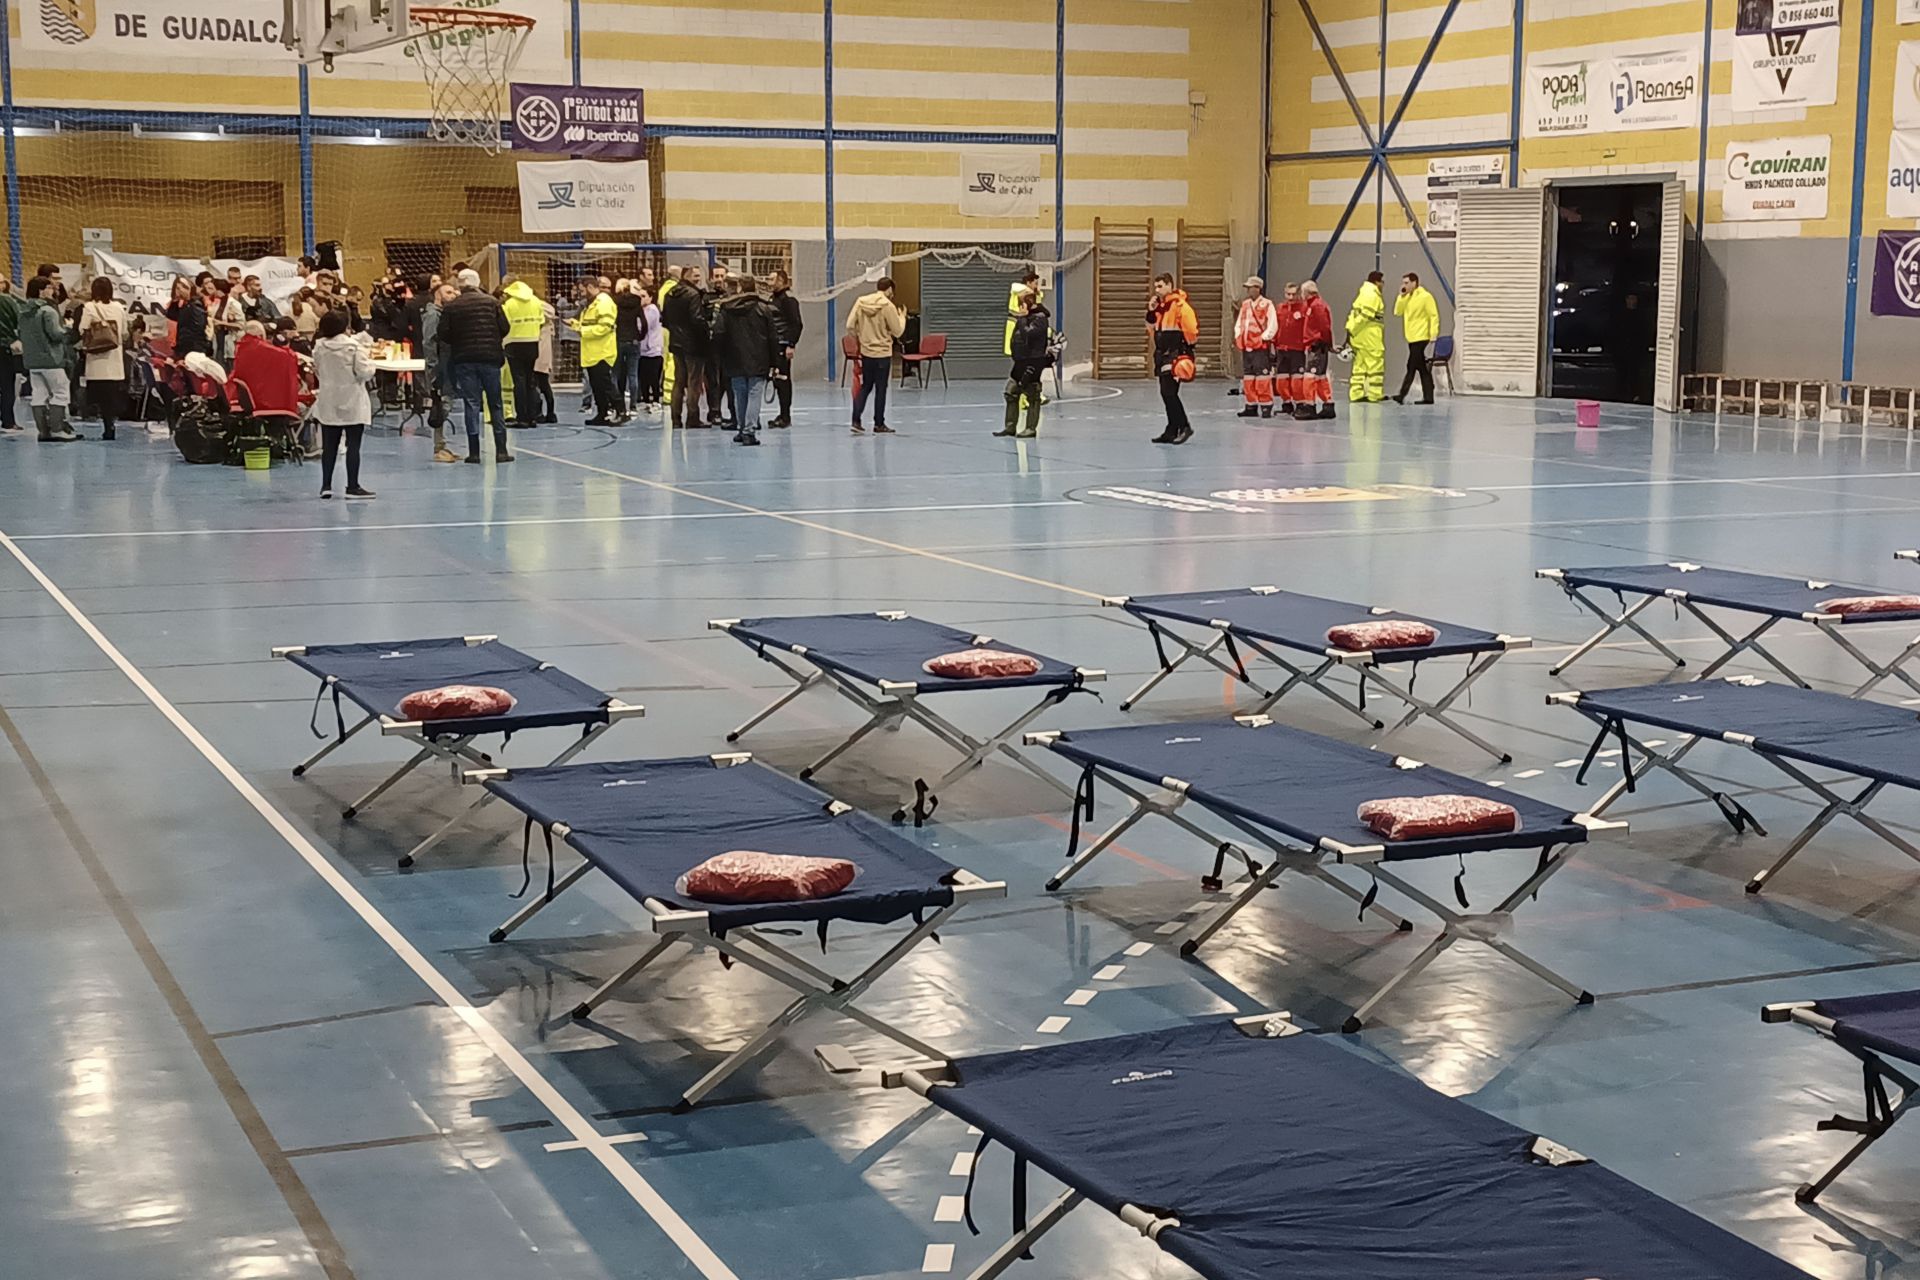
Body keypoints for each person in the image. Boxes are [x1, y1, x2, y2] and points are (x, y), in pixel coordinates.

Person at [437, 267, 513, 464]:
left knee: (471, 403)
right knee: (495, 403)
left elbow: (443, 333)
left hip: (464, 359)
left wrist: (459, 341)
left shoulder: (452, 307)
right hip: (490, 358)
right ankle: (501, 451)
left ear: (460, 285)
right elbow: (505, 327)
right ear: (477, 283)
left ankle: (474, 453)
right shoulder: (492, 302)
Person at [311, 308, 376, 500]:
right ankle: (353, 486)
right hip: (352, 400)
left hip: (329, 400)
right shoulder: (354, 347)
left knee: (329, 446)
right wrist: (372, 364)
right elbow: (364, 372)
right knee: (353, 445)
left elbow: (318, 370)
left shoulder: (319, 347)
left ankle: (326, 485)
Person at [712, 275, 779, 446]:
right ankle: (749, 431)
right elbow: (772, 337)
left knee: (739, 394)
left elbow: (718, 333)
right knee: (754, 394)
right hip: (759, 358)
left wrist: (719, 356)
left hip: (733, 358)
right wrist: (775, 363)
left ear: (739, 288)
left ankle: (742, 429)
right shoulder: (763, 309)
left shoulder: (726, 309)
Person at [20, 276, 77, 442]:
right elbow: (55, 334)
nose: (53, 291)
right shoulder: (48, 311)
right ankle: (57, 430)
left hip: (32, 361)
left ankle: (43, 432)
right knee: (60, 393)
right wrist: (69, 331)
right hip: (52, 360)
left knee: (38, 395)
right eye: (50, 288)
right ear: (41, 290)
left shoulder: (23, 311)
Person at [845, 277, 905, 435]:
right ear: (890, 289)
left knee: (866, 386)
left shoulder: (861, 301)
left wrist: (860, 337)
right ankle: (879, 423)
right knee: (881, 389)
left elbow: (850, 325)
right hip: (883, 353)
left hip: (866, 352)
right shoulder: (888, 305)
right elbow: (897, 331)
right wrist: (902, 318)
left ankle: (856, 420)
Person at [994, 290, 1053, 439]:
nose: (1019, 308)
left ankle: (1030, 428)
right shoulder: (1025, 318)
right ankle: (1010, 426)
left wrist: (1021, 319)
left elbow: (1028, 334)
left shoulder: (1039, 319)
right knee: (1011, 391)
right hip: (1021, 360)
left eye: (1022, 304)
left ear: (1030, 304)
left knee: (1032, 394)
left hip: (1033, 360)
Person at [1148, 272, 1198, 444]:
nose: (1157, 290)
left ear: (1170, 285)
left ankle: (1184, 426)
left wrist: (1187, 350)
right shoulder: (1161, 308)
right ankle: (1171, 428)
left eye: (1160, 286)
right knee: (1165, 392)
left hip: (1176, 354)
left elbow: (1191, 331)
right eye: (1156, 287)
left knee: (1169, 392)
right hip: (1162, 354)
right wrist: (1150, 311)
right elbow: (1151, 327)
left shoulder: (1181, 307)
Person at [76, 277, 128, 441]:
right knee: (111, 398)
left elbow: (82, 329)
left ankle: (92, 419)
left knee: (95, 395)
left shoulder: (89, 307)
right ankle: (110, 425)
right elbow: (124, 331)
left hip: (96, 360)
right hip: (114, 360)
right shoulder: (119, 308)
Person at [662, 264, 711, 430]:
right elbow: (696, 319)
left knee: (678, 381)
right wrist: (706, 330)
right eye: (695, 276)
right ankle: (692, 418)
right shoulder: (693, 294)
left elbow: (665, 319)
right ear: (687, 276)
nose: (697, 279)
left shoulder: (669, 294)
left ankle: (675, 419)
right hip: (693, 344)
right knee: (693, 382)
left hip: (676, 343)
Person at [572, 275, 624, 426]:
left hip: (602, 351)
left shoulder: (604, 302)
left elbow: (604, 327)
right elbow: (588, 323)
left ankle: (621, 411)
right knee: (597, 386)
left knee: (605, 384)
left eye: (582, 290)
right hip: (591, 352)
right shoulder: (591, 304)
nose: (580, 294)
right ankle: (602, 413)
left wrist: (581, 330)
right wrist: (575, 324)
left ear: (589, 287)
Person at [501, 276, 547, 427]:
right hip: (532, 343)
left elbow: (503, 324)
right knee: (530, 381)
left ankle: (522, 417)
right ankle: (533, 417)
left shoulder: (509, 304)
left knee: (518, 381)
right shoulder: (536, 302)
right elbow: (541, 321)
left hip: (514, 343)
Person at [421, 281, 459, 462]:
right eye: (449, 292)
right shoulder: (432, 315)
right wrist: (434, 368)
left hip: (447, 364)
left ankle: (442, 444)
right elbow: (428, 342)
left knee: (446, 402)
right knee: (441, 404)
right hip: (438, 367)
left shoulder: (445, 315)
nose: (453, 295)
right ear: (438, 295)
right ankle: (439, 447)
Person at [1391, 272, 1440, 405]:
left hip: (1421, 336)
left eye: (1407, 283)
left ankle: (1402, 395)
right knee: (1421, 368)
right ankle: (1429, 396)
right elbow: (1397, 312)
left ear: (1415, 283)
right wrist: (1401, 297)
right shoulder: (1407, 297)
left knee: (1411, 366)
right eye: (1403, 283)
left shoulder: (1425, 296)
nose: (1404, 285)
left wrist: (1433, 334)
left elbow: (1433, 315)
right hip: (1411, 337)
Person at [1233, 275, 1278, 419]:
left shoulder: (1267, 304)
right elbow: (1240, 322)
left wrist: (1263, 338)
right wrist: (1238, 336)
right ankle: (1250, 405)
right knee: (1249, 378)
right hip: (1247, 346)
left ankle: (1266, 405)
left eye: (1250, 288)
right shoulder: (1245, 304)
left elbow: (1272, 324)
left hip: (1260, 347)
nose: (1248, 291)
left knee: (1262, 378)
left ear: (1258, 288)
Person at [1295, 280, 1336, 420]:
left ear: (1307, 293)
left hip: (1317, 346)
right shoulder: (1314, 305)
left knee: (1310, 378)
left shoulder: (1316, 306)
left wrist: (1328, 344)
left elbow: (1324, 327)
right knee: (1320, 377)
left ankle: (1310, 406)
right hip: (1319, 346)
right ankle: (1328, 405)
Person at [1345, 271, 1387, 404]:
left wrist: (1351, 331)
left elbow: (1354, 315)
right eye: (1382, 282)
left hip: (1359, 338)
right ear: (1377, 282)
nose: (1383, 285)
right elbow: (1365, 316)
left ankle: (1356, 393)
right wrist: (1354, 328)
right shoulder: (1372, 295)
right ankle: (1374, 394)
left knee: (1359, 367)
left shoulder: (1362, 293)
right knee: (1375, 366)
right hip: (1370, 337)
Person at [767, 268, 801, 428]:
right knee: (777, 381)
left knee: (784, 381)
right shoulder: (772, 299)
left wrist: (790, 344)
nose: (769, 282)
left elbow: (796, 324)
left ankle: (785, 416)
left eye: (772, 279)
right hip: (773, 346)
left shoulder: (789, 300)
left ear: (781, 281)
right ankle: (781, 413)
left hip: (783, 346)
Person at [613, 278, 646, 414]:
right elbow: (644, 323)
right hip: (633, 340)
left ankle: (616, 403)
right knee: (633, 374)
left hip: (619, 339)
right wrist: (640, 336)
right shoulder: (637, 303)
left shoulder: (615, 303)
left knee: (615, 374)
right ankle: (633, 406)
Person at [1273, 281, 1305, 415]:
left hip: (1298, 349)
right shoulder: (1280, 308)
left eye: (1293, 294)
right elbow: (1275, 326)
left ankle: (1300, 403)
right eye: (1288, 294)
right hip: (1282, 349)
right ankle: (1286, 403)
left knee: (1297, 380)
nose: (1291, 298)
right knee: (1281, 380)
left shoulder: (1304, 308)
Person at [705, 262, 731, 425]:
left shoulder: (732, 298)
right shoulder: (705, 298)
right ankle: (714, 411)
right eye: (716, 276)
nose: (719, 280)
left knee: (727, 379)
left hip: (729, 345)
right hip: (711, 344)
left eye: (722, 276)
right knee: (713, 379)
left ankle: (730, 411)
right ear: (711, 279)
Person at [530, 290, 559, 425]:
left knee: (539, 384)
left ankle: (543, 413)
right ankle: (544, 413)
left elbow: (551, 311)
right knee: (542, 384)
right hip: (540, 351)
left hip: (540, 352)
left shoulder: (540, 307)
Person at [635, 285, 664, 414]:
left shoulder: (652, 310)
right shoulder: (640, 310)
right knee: (643, 377)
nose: (640, 299)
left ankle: (656, 401)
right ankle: (646, 401)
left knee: (653, 378)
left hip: (653, 350)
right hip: (642, 350)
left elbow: (643, 325)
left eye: (643, 296)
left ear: (650, 298)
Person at [1004, 269, 1041, 356]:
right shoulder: (1018, 288)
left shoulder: (1034, 294)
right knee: (1010, 344)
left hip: (1026, 319)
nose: (1036, 286)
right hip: (1014, 318)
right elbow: (1014, 287)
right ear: (1028, 282)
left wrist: (1036, 293)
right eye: (1035, 283)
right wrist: (1029, 290)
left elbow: (1037, 304)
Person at [0, 273, 19, 434]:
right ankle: (8, 421)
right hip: (5, 346)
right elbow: (18, 320)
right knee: (7, 386)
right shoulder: (8, 301)